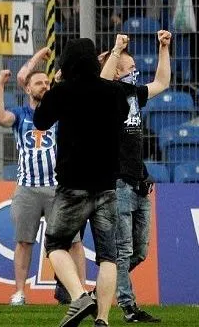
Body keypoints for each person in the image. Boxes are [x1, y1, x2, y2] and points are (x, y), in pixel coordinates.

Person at [33, 37, 152, 327]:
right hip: (107, 186)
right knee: (108, 256)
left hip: (72, 185)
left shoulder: (63, 91)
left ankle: (79, 296)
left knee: (55, 243)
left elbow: (40, 121)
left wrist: (57, 83)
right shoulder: (114, 92)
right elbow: (122, 114)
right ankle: (102, 319)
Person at [0, 48, 86, 306]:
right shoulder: (20, 115)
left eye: (47, 82)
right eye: (39, 83)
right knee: (24, 242)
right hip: (27, 188)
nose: (44, 85)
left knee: (74, 242)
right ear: (27, 89)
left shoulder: (61, 112)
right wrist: (0, 84)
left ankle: (81, 292)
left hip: (58, 187)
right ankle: (20, 292)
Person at [98, 32, 170, 323]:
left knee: (139, 251)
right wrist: (116, 49)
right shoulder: (107, 96)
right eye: (130, 68)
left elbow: (162, 83)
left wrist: (164, 48)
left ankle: (103, 287)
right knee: (123, 250)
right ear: (117, 71)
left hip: (140, 182)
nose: (135, 72)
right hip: (119, 183)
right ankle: (129, 307)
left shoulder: (134, 94)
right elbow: (103, 82)